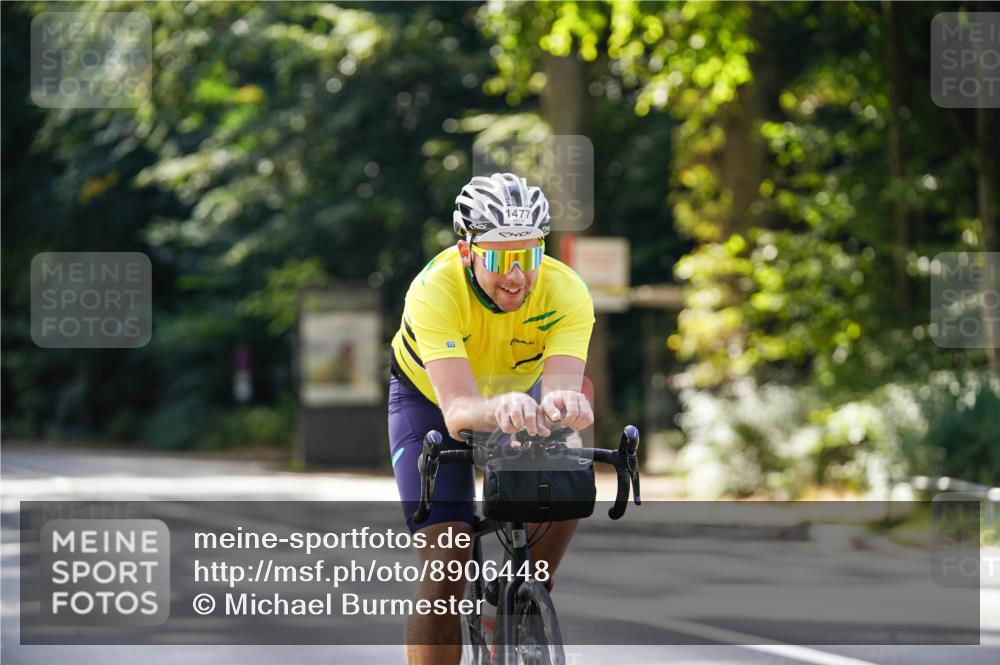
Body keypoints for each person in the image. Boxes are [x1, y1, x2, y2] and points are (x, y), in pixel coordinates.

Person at [388, 172, 596, 665]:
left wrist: (568, 407)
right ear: (467, 252)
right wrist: (500, 408)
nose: (517, 277)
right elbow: (459, 412)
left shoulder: (566, 291)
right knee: (446, 566)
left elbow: (562, 391)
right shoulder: (433, 290)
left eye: (529, 257)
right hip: (430, 403)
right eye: (501, 258)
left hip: (517, 397)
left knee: (566, 466)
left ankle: (523, 598)